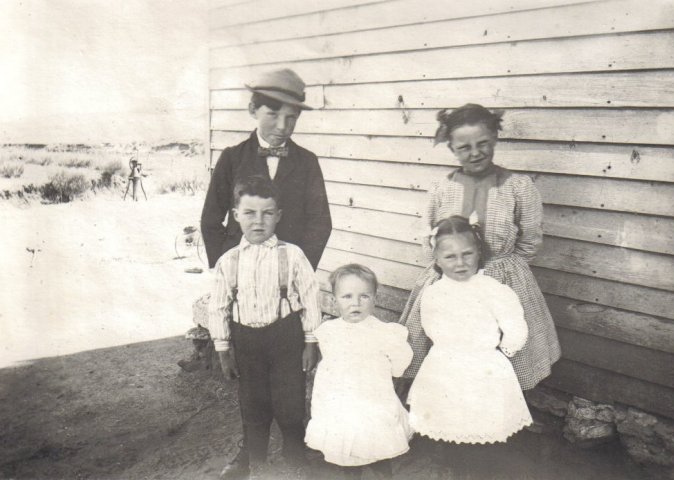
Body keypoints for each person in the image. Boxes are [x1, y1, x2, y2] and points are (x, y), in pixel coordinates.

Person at [398, 103, 561, 398]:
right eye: (464, 147)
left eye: (483, 143)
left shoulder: (519, 187)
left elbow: (530, 239)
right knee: (448, 352)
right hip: (450, 280)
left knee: (499, 352)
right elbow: (428, 234)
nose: (475, 153)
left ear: (495, 139)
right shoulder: (440, 189)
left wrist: (505, 272)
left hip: (503, 278)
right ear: (452, 148)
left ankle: (498, 410)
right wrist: (444, 270)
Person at [179, 67, 331, 369]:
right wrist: (231, 267)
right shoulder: (232, 158)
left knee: (288, 370)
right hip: (244, 287)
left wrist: (297, 270)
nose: (282, 125)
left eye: (292, 118)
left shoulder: (307, 162)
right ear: (253, 109)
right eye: (273, 114)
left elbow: (320, 222)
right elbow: (211, 220)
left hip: (289, 287)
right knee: (250, 371)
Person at [209, 176, 322, 480]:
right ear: (235, 215)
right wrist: (223, 350)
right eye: (249, 213)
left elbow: (311, 298)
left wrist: (311, 341)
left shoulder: (292, 255)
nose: (258, 221)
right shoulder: (228, 261)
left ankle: (295, 451)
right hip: (247, 341)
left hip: (285, 336)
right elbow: (218, 306)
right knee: (253, 401)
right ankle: (253, 457)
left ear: (278, 215)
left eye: (267, 213)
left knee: (290, 401)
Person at [407, 216, 532, 474]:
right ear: (437, 260)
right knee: (450, 423)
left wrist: (501, 351)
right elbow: (432, 328)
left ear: (479, 253)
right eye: (450, 257)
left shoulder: (493, 289)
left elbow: (516, 327)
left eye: (467, 254)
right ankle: (455, 465)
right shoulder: (434, 291)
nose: (460, 263)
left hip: (483, 367)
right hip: (446, 367)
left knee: (483, 427)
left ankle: (480, 469)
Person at [305, 264, 413, 480]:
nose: (356, 303)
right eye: (347, 296)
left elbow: (401, 359)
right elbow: (328, 365)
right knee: (348, 451)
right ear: (335, 301)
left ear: (375, 299)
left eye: (364, 296)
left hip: (373, 401)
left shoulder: (384, 332)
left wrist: (392, 373)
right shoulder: (328, 331)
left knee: (378, 449)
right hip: (342, 404)